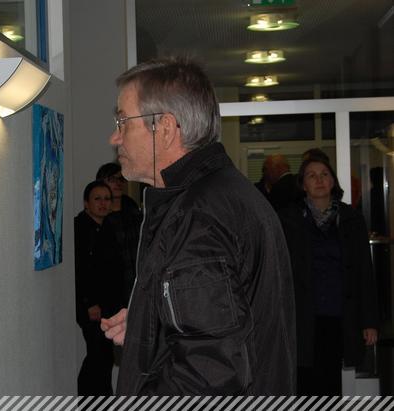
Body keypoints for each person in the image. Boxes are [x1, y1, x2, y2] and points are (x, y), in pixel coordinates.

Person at [100, 56, 296, 395]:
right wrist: (152, 322)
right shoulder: (221, 194)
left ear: (164, 128)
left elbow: (208, 375)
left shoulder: (198, 217)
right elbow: (220, 326)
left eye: (122, 121)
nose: (114, 138)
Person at [278, 157, 379, 395]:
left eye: (324, 174)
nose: (319, 180)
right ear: (303, 185)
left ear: (333, 181)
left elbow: (364, 272)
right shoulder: (288, 219)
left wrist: (369, 322)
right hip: (302, 317)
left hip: (338, 316)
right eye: (311, 175)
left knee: (330, 385)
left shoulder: (351, 219)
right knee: (304, 384)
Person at [74, 180, 122, 395]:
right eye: (97, 199)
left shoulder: (108, 228)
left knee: (104, 358)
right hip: (92, 308)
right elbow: (80, 270)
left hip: (109, 306)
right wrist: (89, 303)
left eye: (107, 199)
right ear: (86, 203)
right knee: (98, 358)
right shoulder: (79, 229)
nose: (103, 203)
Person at [96, 162, 142, 306]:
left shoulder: (132, 208)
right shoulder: (98, 213)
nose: (118, 183)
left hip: (136, 281)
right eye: (112, 179)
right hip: (110, 287)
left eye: (121, 179)